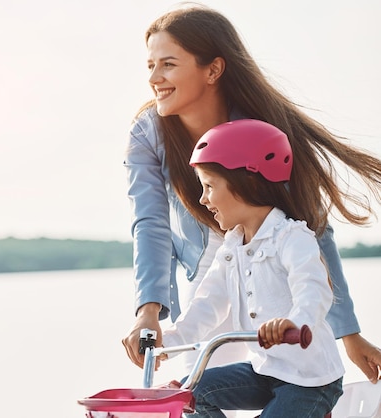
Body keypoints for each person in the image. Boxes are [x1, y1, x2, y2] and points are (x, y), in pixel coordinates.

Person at [121, 3, 381, 385]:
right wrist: (148, 311)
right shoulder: (148, 134)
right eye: (150, 65)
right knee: (198, 387)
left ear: (213, 69)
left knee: (296, 378)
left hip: (272, 253)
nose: (154, 77)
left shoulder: (263, 130)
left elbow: (310, 227)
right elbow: (150, 224)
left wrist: (348, 332)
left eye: (169, 64)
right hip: (213, 260)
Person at [162, 118, 344, 418]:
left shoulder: (290, 237)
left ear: (246, 182)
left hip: (310, 381)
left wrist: (295, 322)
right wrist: (169, 341)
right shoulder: (232, 246)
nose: (203, 199)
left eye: (209, 186)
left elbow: (313, 289)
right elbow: (207, 304)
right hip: (265, 369)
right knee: (188, 394)